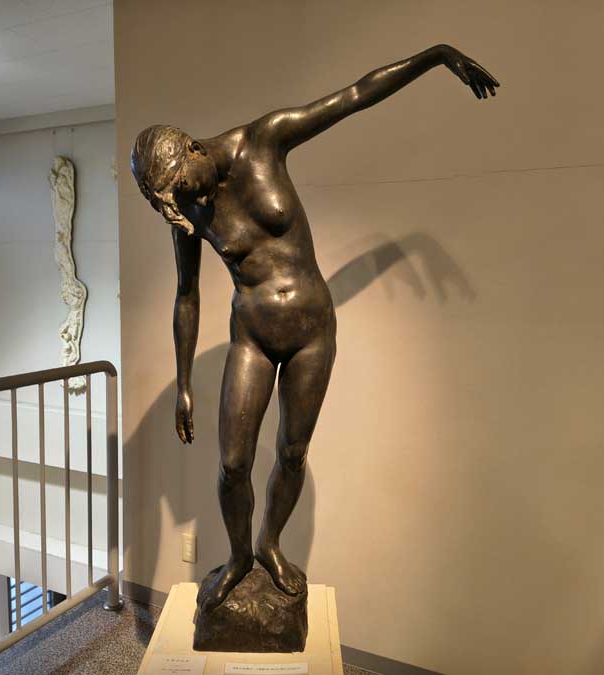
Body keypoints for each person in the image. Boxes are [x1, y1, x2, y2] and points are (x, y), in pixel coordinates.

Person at [131, 43, 499, 612]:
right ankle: (239, 557)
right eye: (180, 200)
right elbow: (187, 294)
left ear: (193, 149)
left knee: (292, 452)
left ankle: (270, 544)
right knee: (233, 464)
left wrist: (436, 57)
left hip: (311, 332)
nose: (195, 200)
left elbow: (354, 96)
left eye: (190, 187)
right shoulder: (187, 210)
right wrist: (182, 383)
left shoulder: (263, 140)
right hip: (252, 335)